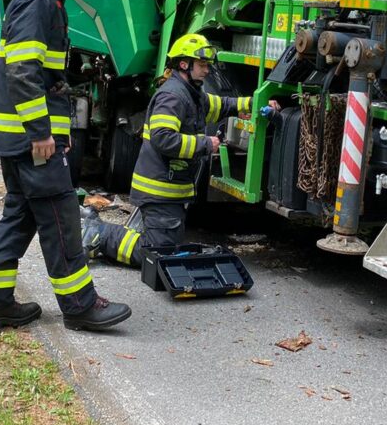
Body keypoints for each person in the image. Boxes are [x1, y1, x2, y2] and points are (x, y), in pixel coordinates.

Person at [0, 0, 132, 332]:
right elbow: (22, 71)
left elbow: (40, 70)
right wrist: (41, 133)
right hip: (32, 141)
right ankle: (80, 306)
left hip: (23, 139)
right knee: (61, 216)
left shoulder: (50, 0)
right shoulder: (38, 0)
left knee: (20, 215)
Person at [83, 33, 278, 267]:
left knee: (167, 248)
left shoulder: (191, 93)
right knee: (157, 254)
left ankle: (105, 233)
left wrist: (252, 104)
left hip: (169, 189)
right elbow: (163, 139)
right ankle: (98, 234)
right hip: (159, 190)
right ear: (184, 64)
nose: (207, 70)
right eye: (202, 65)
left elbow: (220, 105)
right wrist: (205, 144)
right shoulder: (173, 96)